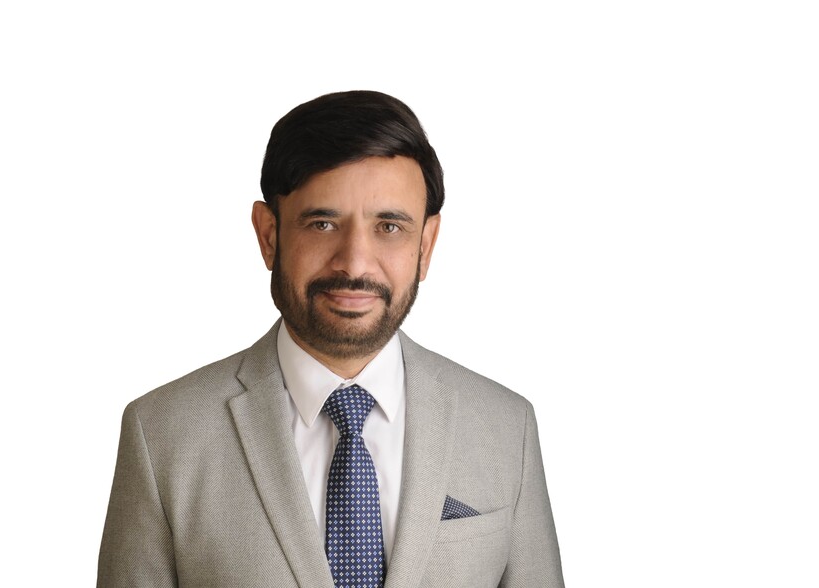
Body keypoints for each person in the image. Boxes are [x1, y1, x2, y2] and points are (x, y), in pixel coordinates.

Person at [97, 90, 564, 587]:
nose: (354, 263)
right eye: (322, 224)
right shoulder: (162, 435)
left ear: (426, 245)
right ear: (269, 235)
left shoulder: (506, 428)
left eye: (389, 226)